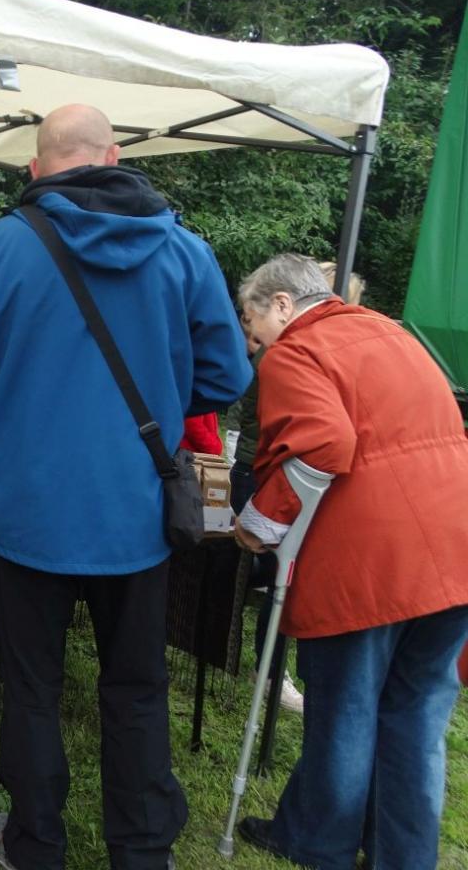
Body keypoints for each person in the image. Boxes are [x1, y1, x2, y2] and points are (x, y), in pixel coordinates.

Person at [0, 104, 251, 870]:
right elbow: (228, 375)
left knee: (31, 687)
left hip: (27, 510)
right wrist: (157, 403)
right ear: (114, 155)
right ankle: (143, 851)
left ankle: (35, 845)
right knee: (138, 686)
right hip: (136, 511)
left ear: (36, 169)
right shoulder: (185, 251)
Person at [232, 254, 468, 870]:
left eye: (252, 322)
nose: (253, 341)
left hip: (374, 559)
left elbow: (322, 443)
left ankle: (322, 846)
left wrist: (260, 523)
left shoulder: (295, 350)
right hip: (456, 548)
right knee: (416, 717)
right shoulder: (392, 332)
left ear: (282, 304)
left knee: (346, 710)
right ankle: (401, 857)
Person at [232, 260, 366, 716]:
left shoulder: (302, 350)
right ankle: (270, 670)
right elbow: (326, 438)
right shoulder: (290, 352)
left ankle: (271, 666)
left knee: (280, 571)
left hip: (304, 483)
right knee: (278, 571)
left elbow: (325, 438)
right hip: (270, 472)